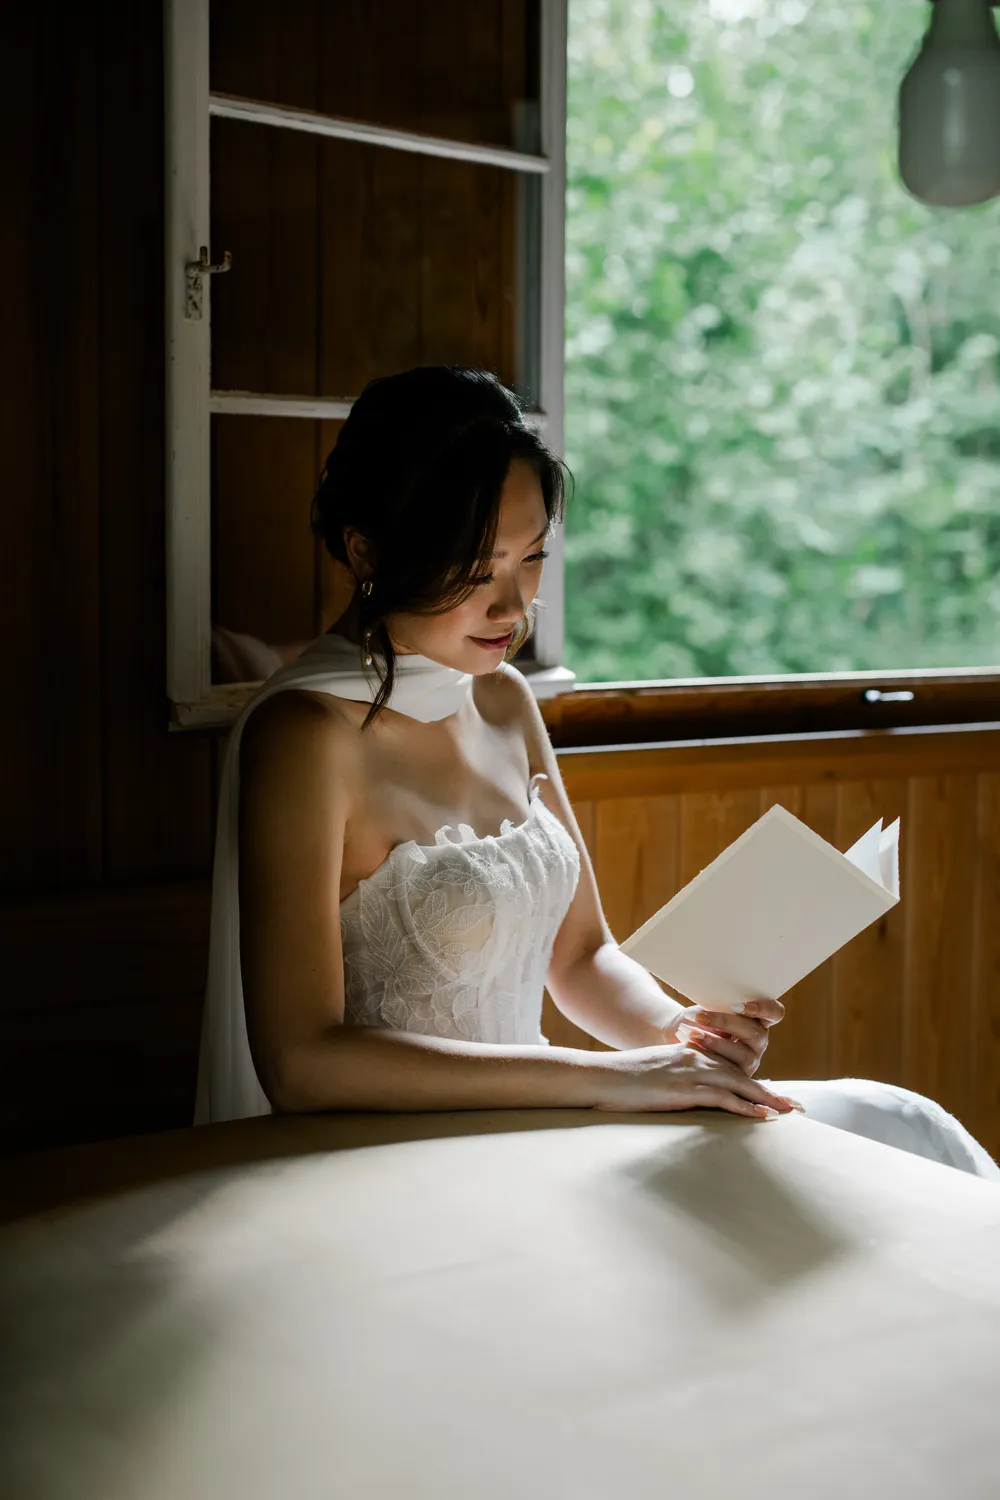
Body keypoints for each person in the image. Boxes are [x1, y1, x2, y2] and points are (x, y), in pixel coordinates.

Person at [194, 366, 999, 1182]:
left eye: (531, 558)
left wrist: (677, 1034)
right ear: (369, 549)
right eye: (476, 570)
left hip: (549, 1118)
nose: (513, 606)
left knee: (897, 1120)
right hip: (399, 1163)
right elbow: (301, 1062)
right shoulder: (305, 737)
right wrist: (610, 1081)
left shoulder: (503, 698)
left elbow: (581, 956)